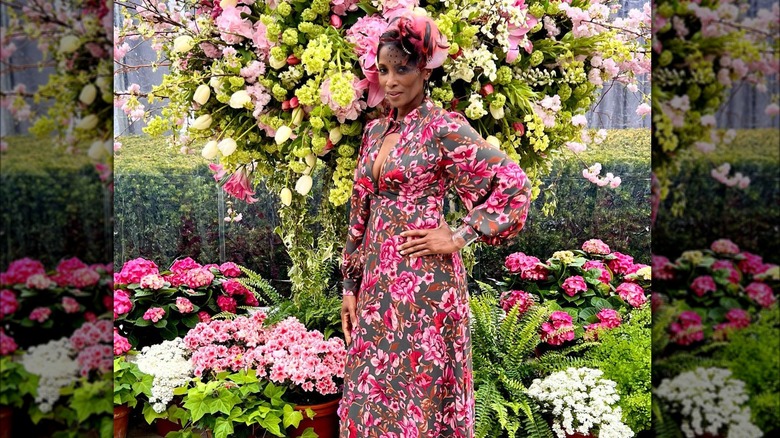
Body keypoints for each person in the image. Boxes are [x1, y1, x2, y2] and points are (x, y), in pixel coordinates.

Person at [338, 14, 532, 438]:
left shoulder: (443, 128)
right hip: (376, 287)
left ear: (424, 70)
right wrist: (349, 286)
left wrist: (459, 235)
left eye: (402, 69)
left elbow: (513, 185)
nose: (391, 81)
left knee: (420, 392)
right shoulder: (374, 132)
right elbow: (359, 213)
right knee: (371, 395)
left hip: (425, 284)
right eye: (383, 70)